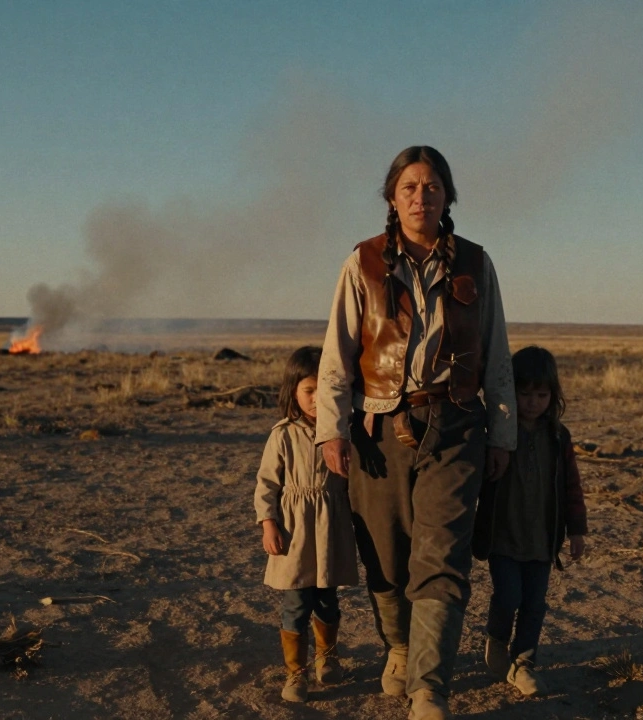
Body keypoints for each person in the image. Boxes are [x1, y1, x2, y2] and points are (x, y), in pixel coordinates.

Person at [316, 146, 516, 720]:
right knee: (386, 555)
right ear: (391, 198)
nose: (421, 197)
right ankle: (400, 648)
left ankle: (430, 688)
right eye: (409, 187)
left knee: (444, 555)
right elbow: (338, 353)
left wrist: (502, 434)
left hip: (455, 424)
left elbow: (497, 352)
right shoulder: (363, 261)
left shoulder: (476, 264)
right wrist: (332, 430)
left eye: (432, 187)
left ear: (447, 197)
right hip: (378, 427)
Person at [471, 346, 588, 697]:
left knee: (535, 603)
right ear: (511, 392)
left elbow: (571, 485)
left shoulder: (557, 436)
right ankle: (496, 638)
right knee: (508, 596)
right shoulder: (495, 434)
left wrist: (577, 530)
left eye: (541, 394)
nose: (533, 402)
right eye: (525, 394)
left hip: (542, 538)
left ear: (553, 395)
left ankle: (524, 664)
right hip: (502, 536)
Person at [254, 346, 358, 703]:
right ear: (293, 391)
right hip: (295, 531)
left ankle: (326, 658)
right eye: (309, 390)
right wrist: (268, 523)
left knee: (328, 599)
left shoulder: (345, 433)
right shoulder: (282, 434)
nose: (316, 399)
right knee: (297, 602)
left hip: (331, 529)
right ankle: (295, 672)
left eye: (324, 390)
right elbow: (267, 483)